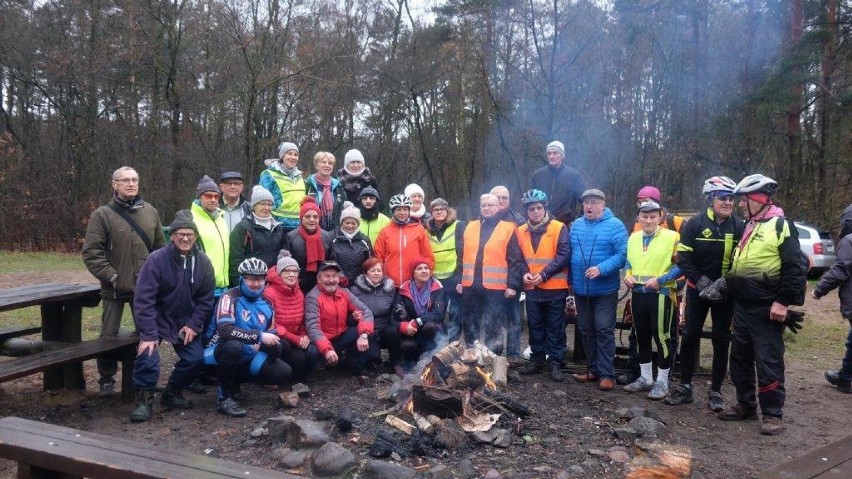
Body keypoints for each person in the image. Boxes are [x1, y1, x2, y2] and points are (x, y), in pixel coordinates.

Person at [719, 174, 806, 436]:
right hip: (743, 306)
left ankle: (772, 414)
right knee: (740, 358)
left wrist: (783, 302)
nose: (740, 206)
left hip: (767, 307)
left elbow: (795, 268)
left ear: (759, 199)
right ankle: (745, 404)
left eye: (744, 201)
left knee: (768, 361)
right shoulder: (751, 225)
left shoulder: (781, 225)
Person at [83, 166, 166, 397]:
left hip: (146, 288)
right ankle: (106, 379)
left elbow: (161, 249)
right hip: (115, 288)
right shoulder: (102, 214)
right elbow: (91, 253)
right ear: (114, 184)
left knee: (148, 333)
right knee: (108, 335)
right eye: (125, 180)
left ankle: (144, 379)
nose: (131, 184)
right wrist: (112, 276)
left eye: (134, 180)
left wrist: (158, 277)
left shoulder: (151, 212)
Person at [664, 176, 743, 411]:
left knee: (721, 341)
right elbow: (683, 258)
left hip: (725, 293)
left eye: (731, 199)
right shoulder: (694, 224)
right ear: (710, 199)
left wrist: (724, 282)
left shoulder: (739, 226)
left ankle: (716, 391)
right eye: (722, 198)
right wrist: (700, 281)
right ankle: (685, 386)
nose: (728, 203)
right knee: (689, 337)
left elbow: (743, 260)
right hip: (697, 290)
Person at [129, 212, 215, 423]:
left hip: (184, 321)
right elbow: (143, 299)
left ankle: (172, 393)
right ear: (172, 236)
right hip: (156, 319)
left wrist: (193, 325)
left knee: (195, 358)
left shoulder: (203, 263)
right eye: (180, 234)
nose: (185, 238)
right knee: (148, 355)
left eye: (189, 234)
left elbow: (205, 300)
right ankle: (144, 399)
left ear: (195, 236)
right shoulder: (156, 260)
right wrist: (148, 334)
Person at [204, 258, 291, 417]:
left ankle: (235, 383)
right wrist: (258, 337)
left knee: (283, 370)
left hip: (247, 352)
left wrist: (273, 346)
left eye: (259, 279)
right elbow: (224, 330)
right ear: (241, 279)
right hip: (216, 351)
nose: (255, 284)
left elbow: (270, 332)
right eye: (250, 279)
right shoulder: (229, 297)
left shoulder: (267, 303)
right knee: (233, 347)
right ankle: (224, 397)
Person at [618, 184, 687, 385]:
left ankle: (662, 381)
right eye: (644, 217)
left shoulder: (672, 236)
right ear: (638, 217)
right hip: (638, 293)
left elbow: (682, 265)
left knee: (663, 337)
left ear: (660, 217)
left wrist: (661, 280)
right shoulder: (633, 237)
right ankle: (645, 378)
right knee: (641, 336)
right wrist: (627, 276)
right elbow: (629, 263)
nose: (648, 220)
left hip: (662, 294)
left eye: (652, 217)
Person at [569, 189, 627, 391]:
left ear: (603, 204)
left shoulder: (615, 226)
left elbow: (622, 255)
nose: (588, 206)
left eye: (593, 202)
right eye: (585, 202)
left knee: (603, 329)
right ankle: (592, 369)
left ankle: (607, 374)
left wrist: (601, 269)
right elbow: (569, 254)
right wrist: (570, 282)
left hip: (604, 290)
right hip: (580, 288)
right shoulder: (576, 226)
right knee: (585, 329)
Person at [457, 193, 527, 354]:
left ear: (498, 207)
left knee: (493, 324)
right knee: (470, 322)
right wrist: (459, 280)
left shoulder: (508, 228)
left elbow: (515, 260)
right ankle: (472, 355)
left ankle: (492, 357)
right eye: (484, 205)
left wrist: (513, 285)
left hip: (495, 287)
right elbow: (461, 256)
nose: (487, 208)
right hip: (470, 285)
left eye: (490, 205)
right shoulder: (470, 226)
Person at [516, 189, 571, 382]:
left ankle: (556, 361)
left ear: (545, 208)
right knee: (535, 325)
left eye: (539, 208)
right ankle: (537, 359)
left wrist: (544, 274)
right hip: (532, 288)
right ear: (526, 211)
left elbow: (563, 255)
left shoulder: (558, 228)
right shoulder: (520, 230)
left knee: (555, 327)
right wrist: (524, 273)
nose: (536, 212)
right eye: (532, 209)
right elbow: (519, 257)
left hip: (555, 287)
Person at [304, 261, 375, 378]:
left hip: (340, 336)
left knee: (366, 331)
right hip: (322, 340)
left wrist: (364, 335)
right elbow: (313, 328)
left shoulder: (344, 292)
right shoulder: (312, 297)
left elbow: (366, 312)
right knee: (312, 352)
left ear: (339, 278)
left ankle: (355, 368)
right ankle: (311, 373)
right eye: (327, 276)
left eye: (334, 276)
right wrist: (327, 349)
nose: (331, 280)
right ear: (319, 278)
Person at [813, 205, 852, 394]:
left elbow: (840, 270)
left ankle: (845, 377)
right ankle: (845, 377)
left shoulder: (849, 241)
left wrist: (819, 289)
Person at [265, 254, 320, 383]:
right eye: (287, 271)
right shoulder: (269, 293)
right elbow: (270, 324)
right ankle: (270, 378)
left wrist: (304, 335)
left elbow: (301, 319)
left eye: (294, 271)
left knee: (310, 352)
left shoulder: (298, 292)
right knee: (283, 346)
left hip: (295, 337)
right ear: (279, 273)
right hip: (277, 338)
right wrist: (296, 339)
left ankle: (297, 380)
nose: (291, 274)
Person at [351, 258, 405, 377]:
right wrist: (353, 317)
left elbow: (393, 310)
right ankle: (368, 363)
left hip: (384, 326)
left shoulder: (390, 289)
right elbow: (349, 315)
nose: (376, 273)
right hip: (366, 329)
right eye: (372, 271)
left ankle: (395, 362)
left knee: (393, 333)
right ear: (365, 273)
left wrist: (400, 313)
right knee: (374, 356)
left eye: (379, 270)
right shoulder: (355, 290)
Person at [490, 185, 525, 362]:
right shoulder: (485, 219)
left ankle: (513, 357)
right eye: (498, 198)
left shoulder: (519, 221)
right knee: (493, 320)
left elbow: (518, 256)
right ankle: (494, 357)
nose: (502, 201)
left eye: (505, 197)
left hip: (512, 280)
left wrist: (513, 283)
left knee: (513, 320)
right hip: (490, 282)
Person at [228, 186, 285, 286]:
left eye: (269, 204)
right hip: (251, 283)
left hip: (272, 283)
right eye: (262, 204)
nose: (267, 208)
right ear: (254, 206)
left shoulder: (278, 228)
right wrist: (238, 285)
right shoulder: (243, 227)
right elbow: (235, 259)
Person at [426, 198, 465, 342]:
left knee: (455, 313)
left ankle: (453, 344)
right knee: (437, 313)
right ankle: (437, 344)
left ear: (447, 211)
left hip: (454, 277)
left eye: (442, 209)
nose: (439, 212)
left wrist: (461, 277)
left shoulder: (458, 226)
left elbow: (463, 253)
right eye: (436, 209)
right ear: (431, 212)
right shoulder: (427, 229)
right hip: (435, 280)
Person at [374, 194, 435, 287]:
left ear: (409, 211)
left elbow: (428, 256)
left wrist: (425, 277)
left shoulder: (419, 229)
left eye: (405, 209)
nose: (402, 213)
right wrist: (381, 277)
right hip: (391, 284)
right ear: (393, 211)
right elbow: (378, 258)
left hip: (414, 283)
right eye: (398, 209)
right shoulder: (385, 232)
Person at [398, 258, 447, 367]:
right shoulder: (404, 289)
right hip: (412, 331)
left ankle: (430, 356)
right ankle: (411, 365)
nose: (424, 271)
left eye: (426, 268)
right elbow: (396, 313)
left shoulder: (437, 288)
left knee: (429, 327)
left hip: (431, 329)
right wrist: (405, 326)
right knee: (407, 346)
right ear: (413, 273)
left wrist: (418, 321)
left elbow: (439, 314)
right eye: (419, 269)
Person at [188, 175, 230, 295]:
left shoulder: (221, 219)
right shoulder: (191, 219)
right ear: (199, 197)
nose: (213, 199)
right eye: (208, 196)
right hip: (201, 288)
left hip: (223, 288)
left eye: (216, 196)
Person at [281, 197, 334, 293]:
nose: (312, 220)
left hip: (321, 283)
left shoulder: (327, 236)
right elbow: (286, 263)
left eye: (315, 216)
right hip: (298, 283)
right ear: (301, 218)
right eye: (307, 216)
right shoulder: (290, 237)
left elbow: (332, 260)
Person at [530, 141, 586, 224]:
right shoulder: (538, 175)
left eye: (555, 153)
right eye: (549, 153)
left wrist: (578, 221)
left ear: (562, 155)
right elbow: (530, 202)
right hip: (541, 226)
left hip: (565, 225)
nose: (551, 156)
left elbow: (584, 201)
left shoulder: (573, 175)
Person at [260, 141, 306, 231]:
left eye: (296, 155)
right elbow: (261, 202)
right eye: (289, 154)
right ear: (282, 156)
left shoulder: (300, 177)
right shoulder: (269, 174)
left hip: (299, 227)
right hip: (277, 227)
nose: (293, 157)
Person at [330, 201, 373, 286]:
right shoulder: (333, 238)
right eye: (347, 223)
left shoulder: (364, 240)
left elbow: (370, 263)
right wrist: (340, 275)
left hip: (359, 284)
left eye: (353, 223)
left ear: (358, 224)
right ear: (342, 222)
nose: (350, 226)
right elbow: (329, 260)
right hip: (337, 283)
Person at [306, 151, 346, 231]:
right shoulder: (307, 184)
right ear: (316, 165)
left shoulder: (338, 186)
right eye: (324, 162)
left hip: (334, 231)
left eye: (330, 163)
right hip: (312, 230)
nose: (327, 165)